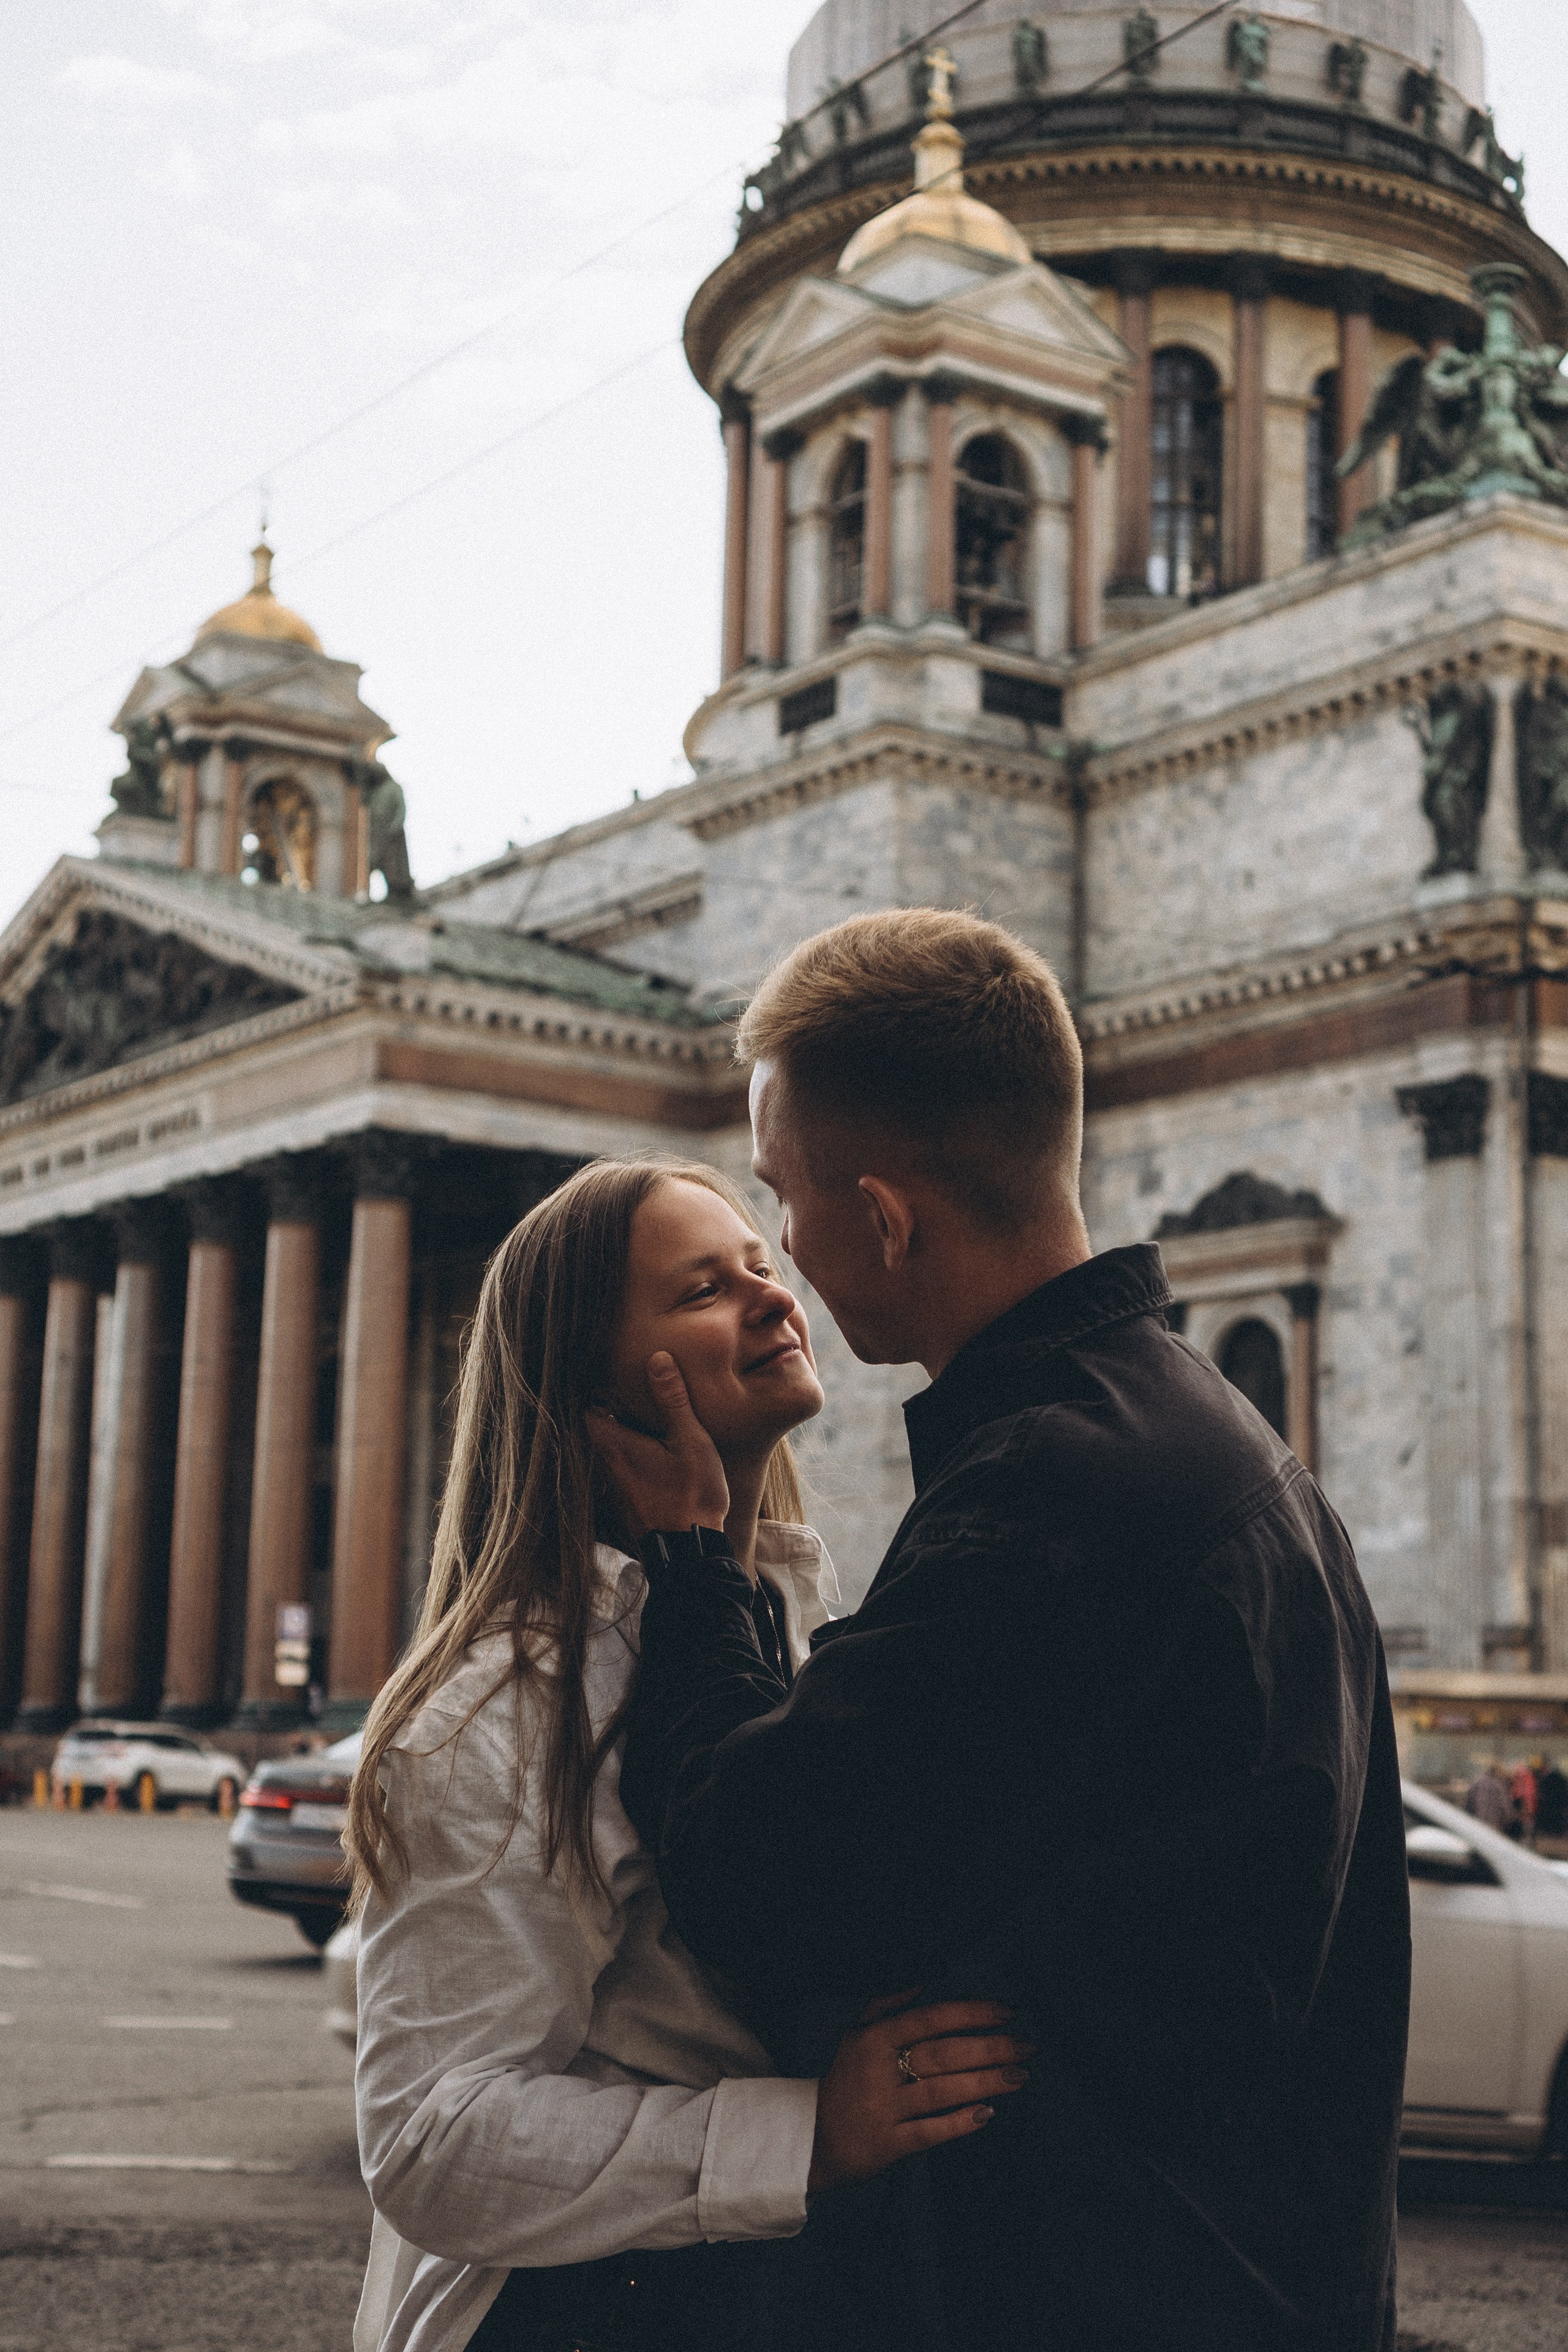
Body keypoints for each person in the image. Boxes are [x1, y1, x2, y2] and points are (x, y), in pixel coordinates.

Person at [596, 910, 1412, 2352]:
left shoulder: (1046, 1501)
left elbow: (748, 1873)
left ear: (885, 1215)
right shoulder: (1220, 1446)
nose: (780, 1251)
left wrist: (691, 1561)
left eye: (782, 1197)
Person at [345, 1156, 1030, 2352]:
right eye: (703, 1289)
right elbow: (428, 2140)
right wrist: (806, 2134)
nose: (772, 1295)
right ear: (595, 1397)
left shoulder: (778, 1628)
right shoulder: (507, 1701)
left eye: (762, 1265)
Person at [1466, 1758, 1510, 1830]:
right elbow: (1504, 1806)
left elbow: (1469, 1801)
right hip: (1494, 1822)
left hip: (1478, 1820)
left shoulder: (1477, 1782)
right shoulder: (1499, 1785)